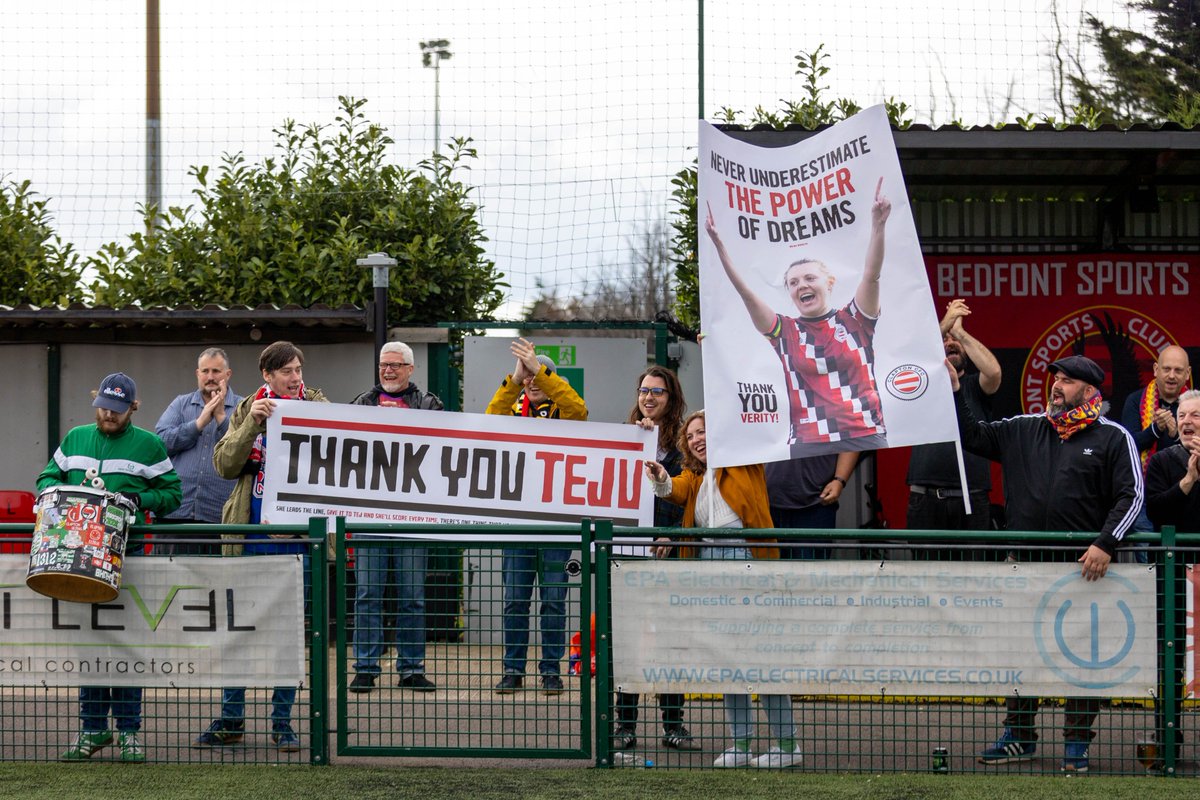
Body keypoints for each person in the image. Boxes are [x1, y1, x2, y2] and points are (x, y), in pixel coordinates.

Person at [953, 355, 1142, 773]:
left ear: (1091, 392)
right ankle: (1020, 735)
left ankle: (1077, 743)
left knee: (1081, 660)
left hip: (1085, 571)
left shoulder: (1113, 436)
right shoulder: (1025, 427)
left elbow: (1131, 497)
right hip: (1026, 568)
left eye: (1068, 380)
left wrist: (1106, 543)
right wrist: (955, 390)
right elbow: (971, 435)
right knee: (1023, 654)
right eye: (1055, 377)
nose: (1056, 385)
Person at [38, 372, 182, 763]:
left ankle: (130, 732)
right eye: (103, 406)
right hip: (76, 561)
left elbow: (172, 494)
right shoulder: (75, 438)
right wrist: (51, 493)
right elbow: (48, 477)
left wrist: (140, 497)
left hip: (127, 559)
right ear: (96, 400)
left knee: (128, 648)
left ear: (132, 408)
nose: (108, 414)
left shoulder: (150, 446)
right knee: (90, 646)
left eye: (117, 409)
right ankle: (92, 728)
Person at [193, 341, 328, 752]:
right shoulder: (248, 406)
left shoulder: (319, 406)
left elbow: (335, 463)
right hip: (249, 536)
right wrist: (251, 423)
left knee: (289, 635)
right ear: (266, 376)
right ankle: (232, 718)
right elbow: (224, 464)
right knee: (238, 632)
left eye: (298, 369)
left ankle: (282, 722)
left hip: (298, 542)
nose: (295, 378)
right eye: (286, 371)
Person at [646, 410, 800, 769]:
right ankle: (740, 744)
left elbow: (743, 431)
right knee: (727, 660)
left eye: (704, 431)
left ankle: (788, 745)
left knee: (761, 658)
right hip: (708, 561)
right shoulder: (696, 476)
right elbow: (677, 489)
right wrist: (661, 478)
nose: (698, 439)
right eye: (692, 435)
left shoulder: (743, 461)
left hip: (744, 556)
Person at [704, 179, 892, 456]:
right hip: (808, 444)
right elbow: (746, 294)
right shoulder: (785, 331)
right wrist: (719, 244)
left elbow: (871, 275)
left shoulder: (855, 319)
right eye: (793, 282)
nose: (801, 285)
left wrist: (878, 225)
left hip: (866, 434)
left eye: (809, 278)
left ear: (829, 282)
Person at [487, 338, 586, 695]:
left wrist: (541, 370)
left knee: (554, 600)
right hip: (518, 522)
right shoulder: (511, 412)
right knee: (515, 599)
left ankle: (551, 671)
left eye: (537, 375)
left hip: (557, 522)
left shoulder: (566, 412)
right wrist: (515, 377)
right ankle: (513, 670)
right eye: (527, 376)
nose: (531, 381)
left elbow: (579, 407)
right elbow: (488, 422)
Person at [611, 365, 699, 752]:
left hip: (668, 558)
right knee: (629, 642)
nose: (649, 397)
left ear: (671, 397)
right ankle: (624, 726)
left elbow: (692, 496)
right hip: (628, 556)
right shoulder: (622, 437)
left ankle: (673, 726)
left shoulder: (685, 443)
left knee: (671, 643)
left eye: (658, 392)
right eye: (644, 390)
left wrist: (674, 532)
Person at [348, 342, 444, 694]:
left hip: (412, 517)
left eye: (396, 365)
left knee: (413, 596)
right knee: (368, 595)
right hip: (369, 516)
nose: (388, 370)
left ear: (411, 369)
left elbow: (441, 448)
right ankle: (366, 668)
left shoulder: (430, 405)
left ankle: (412, 668)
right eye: (383, 365)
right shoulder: (361, 404)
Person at [907, 299, 1001, 538]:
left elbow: (993, 373)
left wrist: (960, 331)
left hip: (972, 497)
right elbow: (906, 363)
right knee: (926, 573)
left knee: (972, 573)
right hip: (926, 498)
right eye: (944, 341)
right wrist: (945, 324)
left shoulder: (974, 386)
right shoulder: (919, 385)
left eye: (955, 341)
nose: (950, 343)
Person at [1142, 389, 1200, 770]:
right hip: (1175, 574)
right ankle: (1169, 739)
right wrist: (1189, 480)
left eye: (1195, 415)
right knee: (1172, 656)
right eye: (1182, 415)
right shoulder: (1163, 460)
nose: (1187, 421)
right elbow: (1155, 509)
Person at [154, 347, 243, 554]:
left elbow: (243, 451)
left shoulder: (241, 407)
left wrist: (221, 418)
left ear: (227, 374)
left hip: (220, 518)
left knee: (214, 584)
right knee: (170, 582)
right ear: (197, 374)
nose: (210, 377)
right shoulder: (180, 404)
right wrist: (198, 423)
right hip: (175, 515)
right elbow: (160, 444)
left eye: (216, 371)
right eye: (205, 371)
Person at [1121, 346, 1192, 542]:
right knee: (1147, 559)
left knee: (1185, 552)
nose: (1171, 376)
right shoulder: (1136, 401)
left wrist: (1176, 433)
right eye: (1166, 369)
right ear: (1155, 369)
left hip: (1186, 492)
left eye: (1178, 371)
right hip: (1144, 495)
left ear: (1187, 374)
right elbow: (1127, 446)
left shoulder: (1194, 404)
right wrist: (1155, 429)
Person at [766, 452, 859, 560]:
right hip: (768, 503)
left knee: (810, 571)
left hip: (815, 504)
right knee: (766, 570)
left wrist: (839, 480)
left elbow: (851, 438)